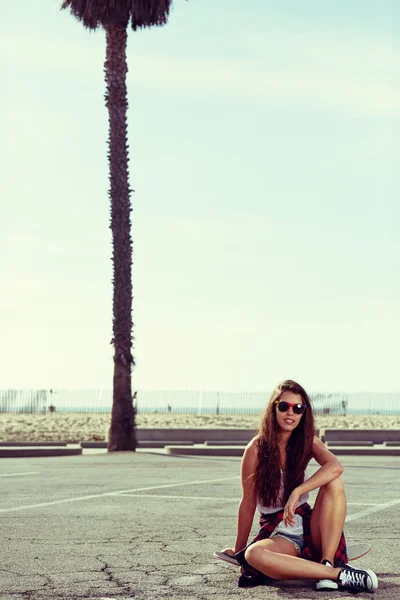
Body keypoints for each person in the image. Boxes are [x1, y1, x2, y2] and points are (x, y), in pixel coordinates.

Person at [220, 380, 378, 593]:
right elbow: (248, 501)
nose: (290, 413)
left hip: (309, 524)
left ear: (304, 412)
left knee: (333, 481)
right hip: (280, 534)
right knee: (253, 555)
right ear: (273, 408)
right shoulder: (256, 449)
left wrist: (299, 491)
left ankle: (327, 562)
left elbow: (335, 466)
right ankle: (337, 574)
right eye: (284, 406)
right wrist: (239, 549)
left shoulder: (306, 441)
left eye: (298, 408)